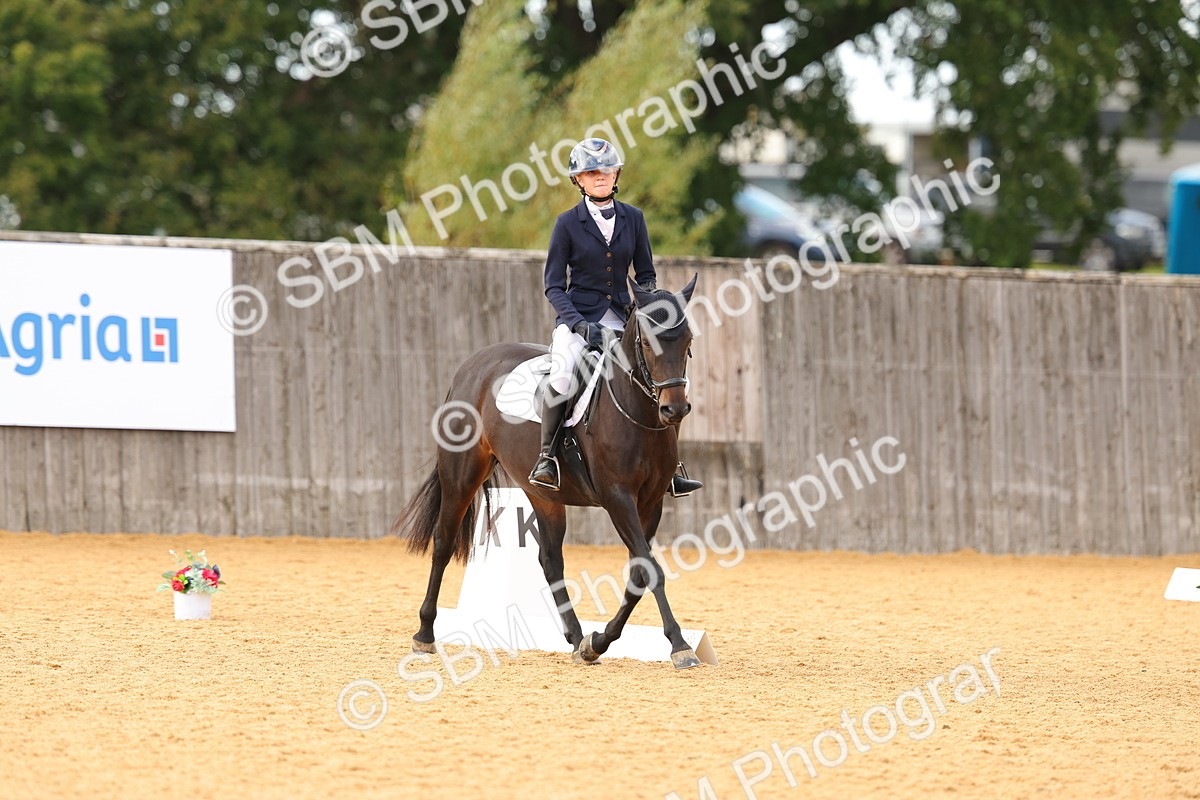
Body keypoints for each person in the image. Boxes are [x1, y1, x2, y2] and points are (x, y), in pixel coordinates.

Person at [527, 137, 703, 498]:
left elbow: (647, 274)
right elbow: (553, 287)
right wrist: (578, 324)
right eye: (592, 172)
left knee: (659, 377)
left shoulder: (634, 218)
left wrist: (650, 305)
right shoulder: (566, 224)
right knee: (563, 373)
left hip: (626, 318)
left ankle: (670, 468)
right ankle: (547, 458)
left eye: (606, 170)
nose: (600, 176)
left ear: (616, 174)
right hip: (580, 319)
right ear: (579, 180)